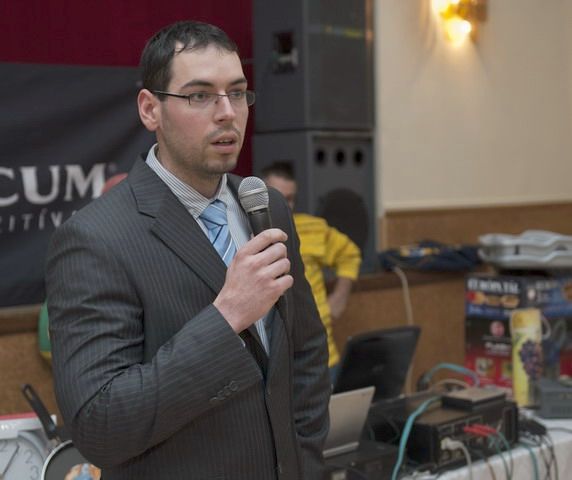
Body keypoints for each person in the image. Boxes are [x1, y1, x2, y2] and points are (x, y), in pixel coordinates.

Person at [46, 21, 330, 480]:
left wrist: (307, 464)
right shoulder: (95, 238)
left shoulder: (266, 206)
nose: (227, 113)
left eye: (237, 93)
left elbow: (305, 354)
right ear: (150, 110)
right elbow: (100, 425)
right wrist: (226, 317)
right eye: (200, 95)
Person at [261, 162, 362, 382]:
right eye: (277, 197)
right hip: (272, 360)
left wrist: (340, 296)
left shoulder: (313, 228)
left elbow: (349, 254)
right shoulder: (243, 232)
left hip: (321, 353)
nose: (284, 205)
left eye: (290, 198)